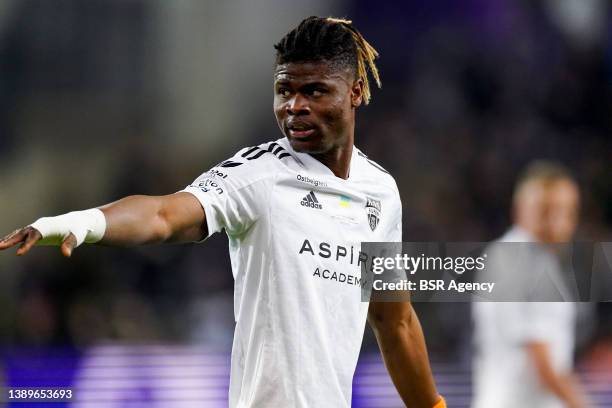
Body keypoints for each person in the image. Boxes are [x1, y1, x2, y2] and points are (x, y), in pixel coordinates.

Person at [0, 16, 445, 408]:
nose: (294, 107)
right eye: (284, 90)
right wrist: (83, 222)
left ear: (356, 91)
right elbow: (164, 215)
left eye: (314, 90)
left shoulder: (380, 192)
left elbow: (394, 319)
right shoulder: (258, 175)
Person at [472, 161, 588, 408]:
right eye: (545, 210)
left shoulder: (504, 253)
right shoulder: (529, 263)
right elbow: (542, 361)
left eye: (566, 211)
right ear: (519, 210)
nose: (557, 221)